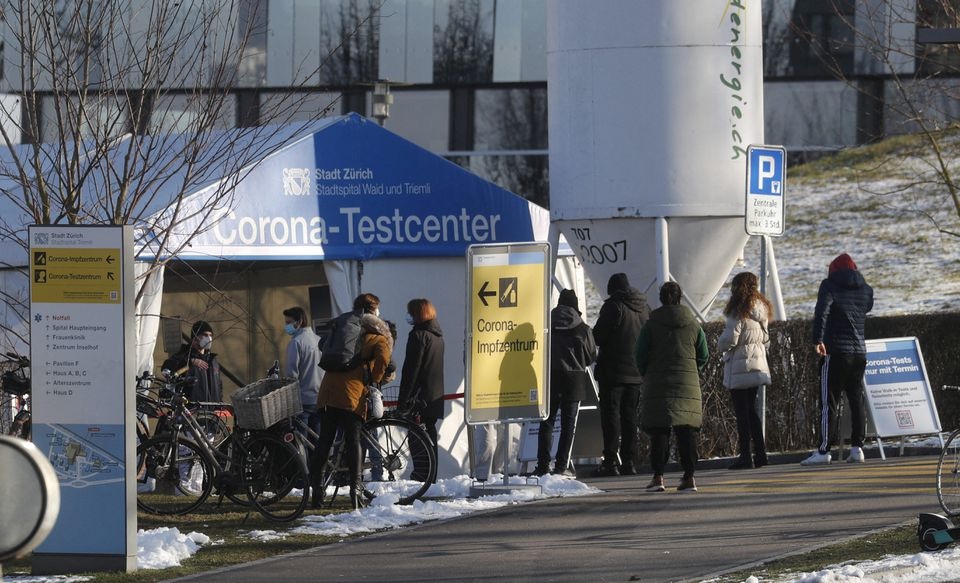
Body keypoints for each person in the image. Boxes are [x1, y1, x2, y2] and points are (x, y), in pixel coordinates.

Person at [310, 293, 393, 508]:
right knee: (353, 439)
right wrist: (375, 380)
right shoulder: (377, 334)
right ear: (374, 311)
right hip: (352, 395)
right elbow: (384, 358)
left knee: (324, 441)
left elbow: (323, 347)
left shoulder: (342, 326)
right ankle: (356, 491)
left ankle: (317, 491)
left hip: (327, 392)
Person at [635, 282, 709, 493]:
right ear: (680, 298)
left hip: (658, 384)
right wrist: (691, 371)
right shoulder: (693, 325)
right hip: (687, 384)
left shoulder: (651, 325)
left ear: (660, 298)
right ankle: (689, 477)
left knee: (659, 431)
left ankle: (658, 477)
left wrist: (647, 372)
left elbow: (640, 355)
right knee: (686, 431)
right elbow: (703, 355)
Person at [802, 253, 874, 466]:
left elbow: (822, 311)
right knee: (856, 400)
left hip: (834, 351)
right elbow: (866, 308)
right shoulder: (866, 289)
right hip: (859, 351)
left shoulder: (829, 285)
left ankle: (824, 450)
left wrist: (817, 339)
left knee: (828, 402)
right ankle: (857, 448)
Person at [591, 272, 649, 476]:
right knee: (630, 418)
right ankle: (629, 461)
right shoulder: (644, 308)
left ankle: (610, 462)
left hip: (613, 373)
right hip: (635, 373)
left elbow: (597, 337)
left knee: (611, 418)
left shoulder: (613, 306)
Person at [535, 289, 596, 477]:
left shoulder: (545, 325)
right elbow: (590, 357)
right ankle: (561, 467)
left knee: (547, 421)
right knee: (568, 424)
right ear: (575, 306)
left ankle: (543, 465)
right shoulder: (583, 329)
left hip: (549, 378)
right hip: (574, 380)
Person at [717, 272, 772, 470]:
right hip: (757, 365)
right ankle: (761, 454)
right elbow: (766, 340)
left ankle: (745, 456)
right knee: (751, 411)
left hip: (740, 366)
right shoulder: (761, 308)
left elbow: (729, 339)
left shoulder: (738, 310)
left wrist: (719, 345)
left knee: (742, 413)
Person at [398, 298, 445, 482]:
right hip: (434, 394)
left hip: (418, 396)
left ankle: (421, 475)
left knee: (417, 437)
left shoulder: (418, 336)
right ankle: (430, 475)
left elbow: (411, 370)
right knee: (429, 434)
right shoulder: (437, 336)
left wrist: (404, 398)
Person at [283, 306, 323, 439]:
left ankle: (305, 461)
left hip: (302, 400)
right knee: (317, 441)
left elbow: (291, 374)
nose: (286, 326)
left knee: (302, 442)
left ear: (299, 321)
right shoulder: (318, 340)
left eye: (288, 323)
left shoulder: (296, 342)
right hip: (320, 398)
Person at [161, 320, 223, 403]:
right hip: (192, 409)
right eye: (205, 335)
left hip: (212, 410)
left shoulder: (212, 361)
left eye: (210, 335)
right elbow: (167, 367)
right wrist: (189, 361)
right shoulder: (184, 355)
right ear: (195, 337)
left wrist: (220, 403)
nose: (209, 338)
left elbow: (219, 386)